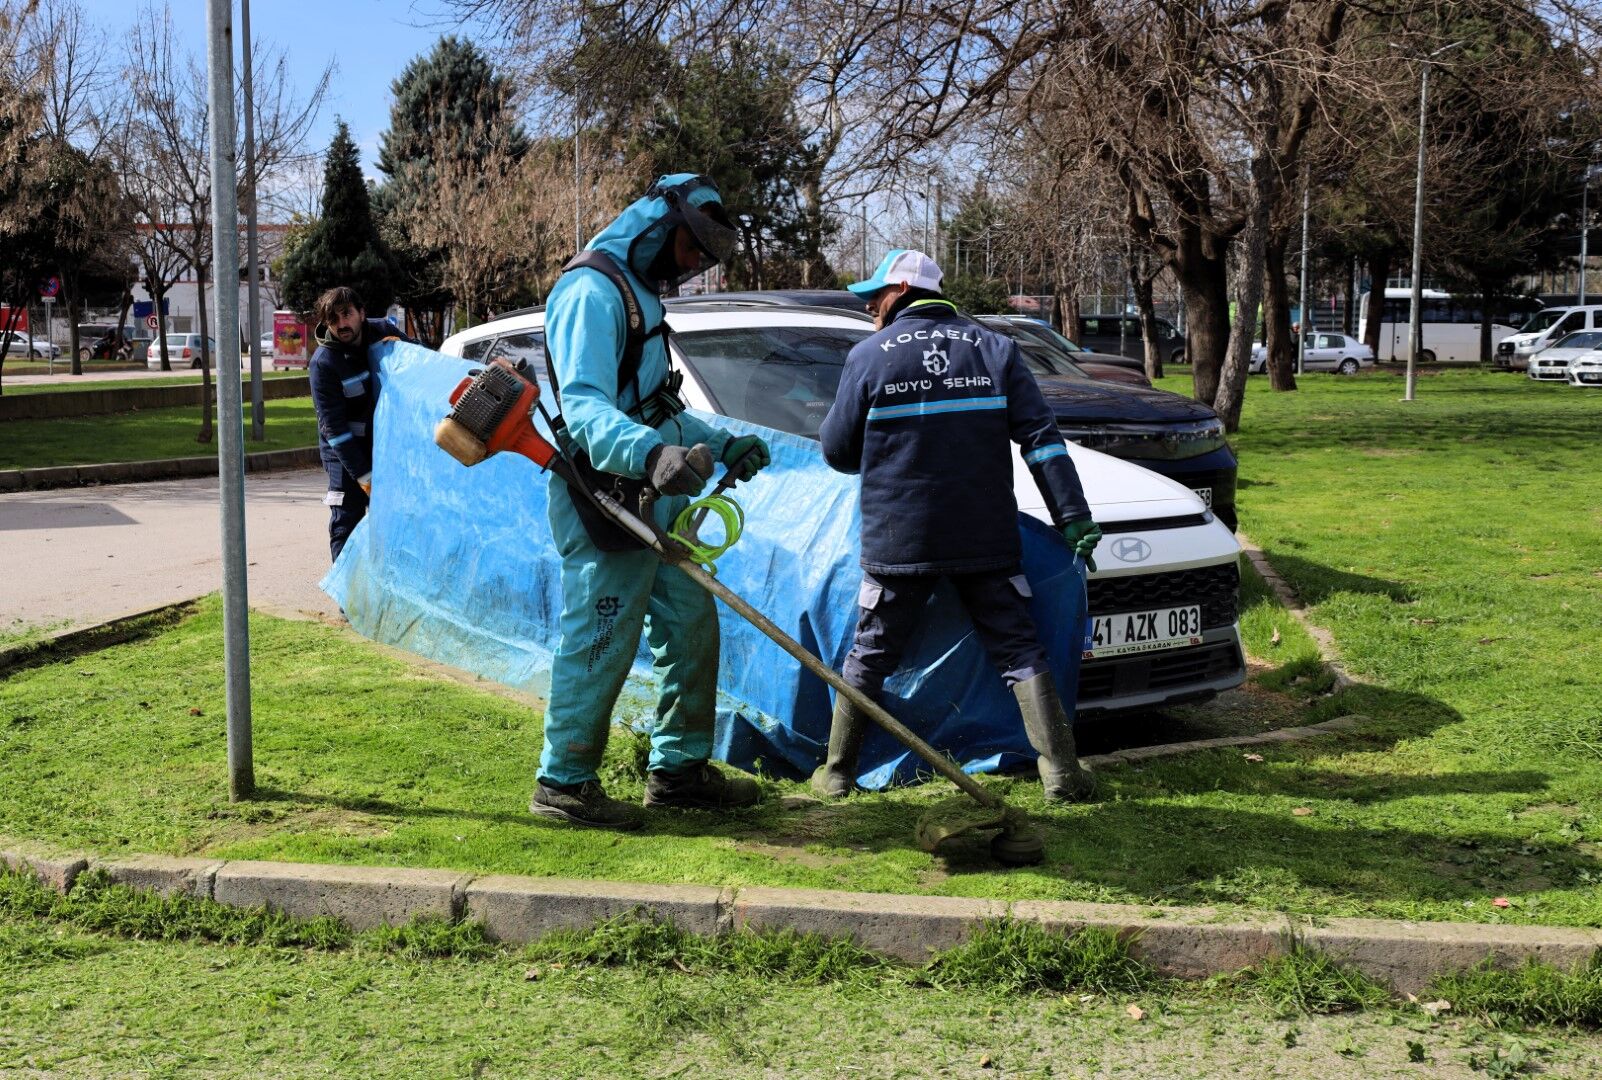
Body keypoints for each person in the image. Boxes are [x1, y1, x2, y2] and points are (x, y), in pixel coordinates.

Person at [815, 249, 1103, 802]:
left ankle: (835, 774)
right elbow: (1042, 443)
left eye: (875, 295)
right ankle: (1063, 775)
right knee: (1019, 648)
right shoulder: (997, 350)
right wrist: (1073, 517)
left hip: (900, 538)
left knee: (871, 652)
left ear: (902, 290)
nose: (870, 306)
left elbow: (836, 452)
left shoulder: (869, 356)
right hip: (983, 535)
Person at [530, 173, 772, 831]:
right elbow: (586, 409)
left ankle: (678, 772)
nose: (691, 267)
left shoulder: (637, 292)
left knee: (692, 621)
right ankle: (564, 783)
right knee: (601, 634)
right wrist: (650, 455)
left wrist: (720, 443)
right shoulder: (590, 292)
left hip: (650, 490)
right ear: (662, 227)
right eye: (691, 250)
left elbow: (657, 408)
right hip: (603, 494)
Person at [307, 286, 411, 561]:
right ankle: (346, 588)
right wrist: (365, 477)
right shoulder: (323, 364)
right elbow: (335, 431)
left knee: (392, 524)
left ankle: (385, 583)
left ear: (361, 313)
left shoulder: (383, 332)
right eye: (333, 319)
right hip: (344, 455)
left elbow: (418, 362)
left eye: (347, 314)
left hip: (384, 445)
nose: (341, 324)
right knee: (347, 525)